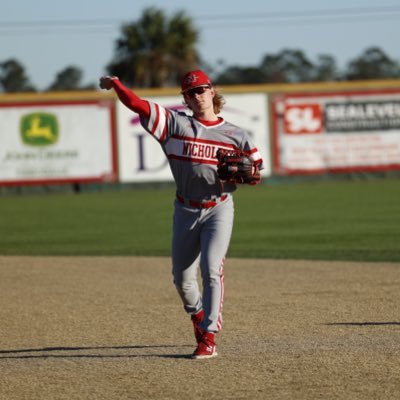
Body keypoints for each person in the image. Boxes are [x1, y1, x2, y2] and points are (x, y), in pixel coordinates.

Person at [99, 70, 263, 359]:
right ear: (185, 99)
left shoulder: (236, 134)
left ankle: (209, 336)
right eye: (190, 92)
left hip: (219, 207)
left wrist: (247, 174)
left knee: (212, 270)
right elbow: (138, 105)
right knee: (182, 279)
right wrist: (116, 85)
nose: (197, 95)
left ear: (212, 91)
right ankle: (198, 317)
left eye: (201, 89)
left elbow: (255, 172)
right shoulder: (174, 125)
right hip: (185, 209)